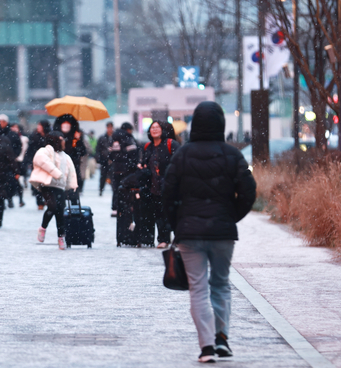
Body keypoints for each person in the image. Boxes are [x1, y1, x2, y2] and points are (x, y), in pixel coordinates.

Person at [162, 101, 256, 363]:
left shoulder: (182, 154)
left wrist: (177, 223)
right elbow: (249, 190)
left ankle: (206, 347)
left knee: (198, 288)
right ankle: (222, 338)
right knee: (221, 284)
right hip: (223, 232)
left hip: (190, 233)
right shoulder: (233, 155)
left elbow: (167, 192)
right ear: (221, 124)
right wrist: (230, 216)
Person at [29, 131, 78, 250]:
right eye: (61, 139)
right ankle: (43, 227)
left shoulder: (65, 156)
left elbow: (71, 172)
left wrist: (72, 185)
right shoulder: (45, 151)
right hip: (47, 184)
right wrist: (56, 173)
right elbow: (41, 160)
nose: (63, 142)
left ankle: (61, 237)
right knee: (52, 206)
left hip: (60, 186)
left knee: (60, 211)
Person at [139, 121, 180, 248]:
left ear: (163, 130)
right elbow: (144, 164)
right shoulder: (147, 147)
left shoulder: (170, 144)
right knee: (159, 214)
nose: (155, 129)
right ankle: (163, 239)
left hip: (170, 187)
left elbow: (179, 162)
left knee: (172, 213)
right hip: (154, 186)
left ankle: (178, 238)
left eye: (158, 127)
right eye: (152, 127)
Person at [52, 114, 86, 203]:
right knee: (60, 193)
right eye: (64, 123)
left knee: (73, 191)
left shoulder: (76, 136)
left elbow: (83, 152)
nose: (66, 125)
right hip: (59, 167)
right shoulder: (55, 137)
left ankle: (74, 207)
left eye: (68, 123)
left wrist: (77, 141)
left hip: (73, 167)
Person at [109, 122, 139, 217]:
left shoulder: (113, 138)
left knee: (116, 188)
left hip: (115, 168)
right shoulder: (128, 137)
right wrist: (133, 164)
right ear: (128, 129)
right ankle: (126, 207)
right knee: (126, 188)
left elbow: (110, 154)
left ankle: (115, 208)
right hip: (126, 168)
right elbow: (133, 152)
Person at [24, 120, 51, 210]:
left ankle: (47, 199)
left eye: (40, 125)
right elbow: (30, 150)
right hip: (36, 163)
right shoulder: (34, 136)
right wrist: (28, 161)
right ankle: (40, 202)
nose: (38, 127)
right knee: (37, 184)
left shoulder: (50, 136)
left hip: (48, 163)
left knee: (47, 183)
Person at [0, 113, 22, 208]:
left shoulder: (12, 135)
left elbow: (18, 147)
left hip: (10, 163)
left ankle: (9, 198)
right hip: (0, 162)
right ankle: (3, 200)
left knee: (10, 182)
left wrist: (13, 156)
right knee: (1, 183)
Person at [11, 123, 28, 207]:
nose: (14, 128)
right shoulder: (9, 137)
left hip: (20, 162)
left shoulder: (24, 138)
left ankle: (20, 199)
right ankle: (14, 199)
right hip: (14, 161)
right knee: (14, 182)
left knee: (18, 182)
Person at [96, 122, 114, 196]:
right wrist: (98, 158)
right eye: (108, 127)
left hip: (112, 160)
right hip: (104, 160)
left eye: (111, 127)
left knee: (112, 176)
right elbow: (98, 149)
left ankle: (113, 190)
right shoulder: (102, 137)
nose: (110, 129)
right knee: (103, 176)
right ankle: (101, 189)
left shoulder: (114, 137)